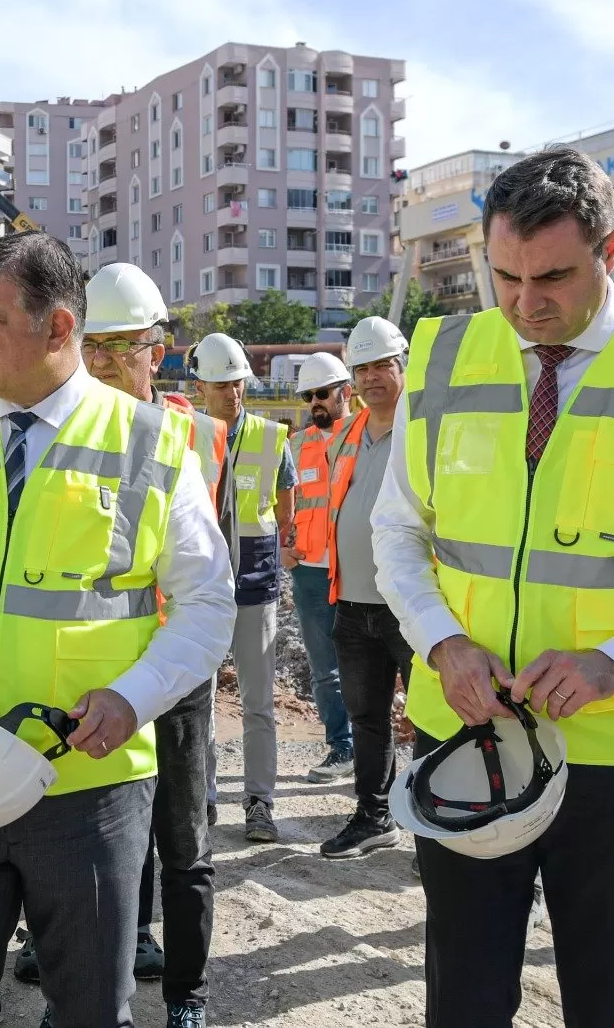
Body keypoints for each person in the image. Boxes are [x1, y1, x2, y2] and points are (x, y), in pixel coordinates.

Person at [372, 145, 614, 1027]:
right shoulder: (447, 356)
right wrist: (442, 639)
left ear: (612, 249)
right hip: (470, 730)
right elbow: (399, 528)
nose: (523, 302)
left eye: (553, 277)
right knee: (462, 997)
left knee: (608, 998)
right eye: (502, 275)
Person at [0, 231, 236, 1028]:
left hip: (85, 794)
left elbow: (206, 605)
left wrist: (133, 699)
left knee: (92, 1008)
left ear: (59, 328)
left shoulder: (150, 442)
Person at [75, 260, 226, 1023]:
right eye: (91, 345)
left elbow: (210, 571)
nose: (102, 362)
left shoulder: (197, 435)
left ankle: (187, 995)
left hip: (178, 671)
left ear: (156, 349)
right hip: (101, 669)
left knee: (182, 841)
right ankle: (96, 973)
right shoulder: (65, 435)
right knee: (97, 843)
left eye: (120, 345)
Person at [314, 317, 414, 860]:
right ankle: (374, 817)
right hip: (352, 602)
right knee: (368, 719)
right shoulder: (349, 434)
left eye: (383, 366)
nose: (373, 377)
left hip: (413, 606)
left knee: (435, 720)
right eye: (363, 368)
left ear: (402, 368)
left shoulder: (426, 428)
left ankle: (440, 829)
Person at [192, 332, 295, 842]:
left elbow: (285, 498)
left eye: (237, 385)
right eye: (222, 386)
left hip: (255, 582)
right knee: (201, 701)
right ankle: (203, 797)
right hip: (202, 585)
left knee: (258, 703)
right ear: (201, 388)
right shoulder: (187, 435)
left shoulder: (273, 436)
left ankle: (260, 803)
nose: (232, 395)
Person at [283, 353, 356, 784]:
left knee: (367, 665)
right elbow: (281, 504)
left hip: (356, 570)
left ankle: (372, 751)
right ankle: (341, 747)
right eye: (308, 395)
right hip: (310, 571)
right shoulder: (296, 444)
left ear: (345, 392)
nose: (315, 402)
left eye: (322, 393)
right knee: (324, 668)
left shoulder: (366, 436)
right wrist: (284, 549)